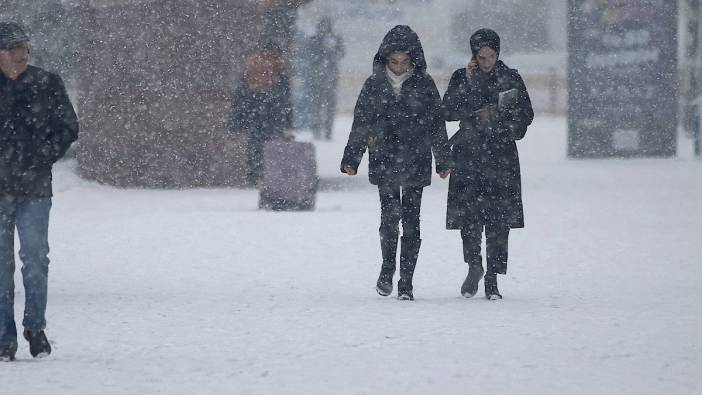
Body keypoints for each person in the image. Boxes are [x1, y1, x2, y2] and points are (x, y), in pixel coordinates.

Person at [341, 25, 451, 300]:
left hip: (415, 158)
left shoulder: (424, 85)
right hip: (385, 158)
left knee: (412, 221)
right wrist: (352, 157)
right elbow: (361, 123)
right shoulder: (373, 85)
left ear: (413, 60)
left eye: (404, 62)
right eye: (394, 62)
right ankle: (387, 267)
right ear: (385, 60)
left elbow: (437, 124)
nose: (400, 67)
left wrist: (443, 159)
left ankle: (407, 281)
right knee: (389, 218)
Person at [0, 22, 78, 361]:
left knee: (35, 261)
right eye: (13, 49)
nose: (21, 54)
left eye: (24, 48)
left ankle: (35, 326)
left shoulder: (47, 83)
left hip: (34, 189)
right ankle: (4, 337)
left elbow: (68, 128)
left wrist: (43, 155)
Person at [442, 28, 533, 300]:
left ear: (498, 53)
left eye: (491, 56)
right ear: (473, 55)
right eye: (481, 57)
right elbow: (446, 111)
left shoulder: (510, 77)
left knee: (498, 220)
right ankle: (474, 265)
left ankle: (493, 277)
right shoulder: (462, 77)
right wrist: (469, 92)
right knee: (469, 217)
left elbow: (525, 114)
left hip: (500, 155)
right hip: (469, 153)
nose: (486, 62)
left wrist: (498, 119)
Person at [227, 44, 293, 187]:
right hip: (271, 113)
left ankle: (255, 176)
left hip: (254, 112)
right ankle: (265, 176)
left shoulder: (251, 65)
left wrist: (236, 118)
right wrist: (288, 123)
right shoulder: (277, 66)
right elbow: (285, 98)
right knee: (270, 145)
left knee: (255, 144)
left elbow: (241, 93)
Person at [306, 17, 344, 140]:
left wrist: (332, 50)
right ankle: (317, 130)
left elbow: (341, 53)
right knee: (316, 106)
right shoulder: (314, 40)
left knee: (329, 107)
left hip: (330, 77)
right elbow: (309, 54)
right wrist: (322, 48)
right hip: (317, 78)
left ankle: (327, 131)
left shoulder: (335, 39)